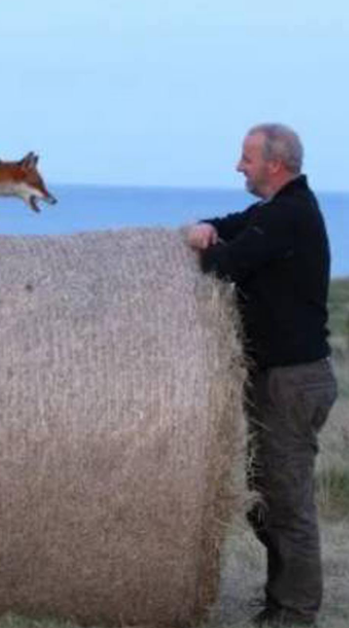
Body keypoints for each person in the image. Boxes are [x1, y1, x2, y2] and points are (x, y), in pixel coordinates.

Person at [185, 123, 337, 626]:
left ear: (275, 164)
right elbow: (226, 225)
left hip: (294, 382)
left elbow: (225, 264)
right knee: (264, 498)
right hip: (280, 379)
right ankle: (280, 600)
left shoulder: (290, 216)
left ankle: (294, 613)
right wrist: (204, 226)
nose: (238, 166)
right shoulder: (272, 210)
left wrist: (206, 244)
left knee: (287, 504)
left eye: (246, 158)